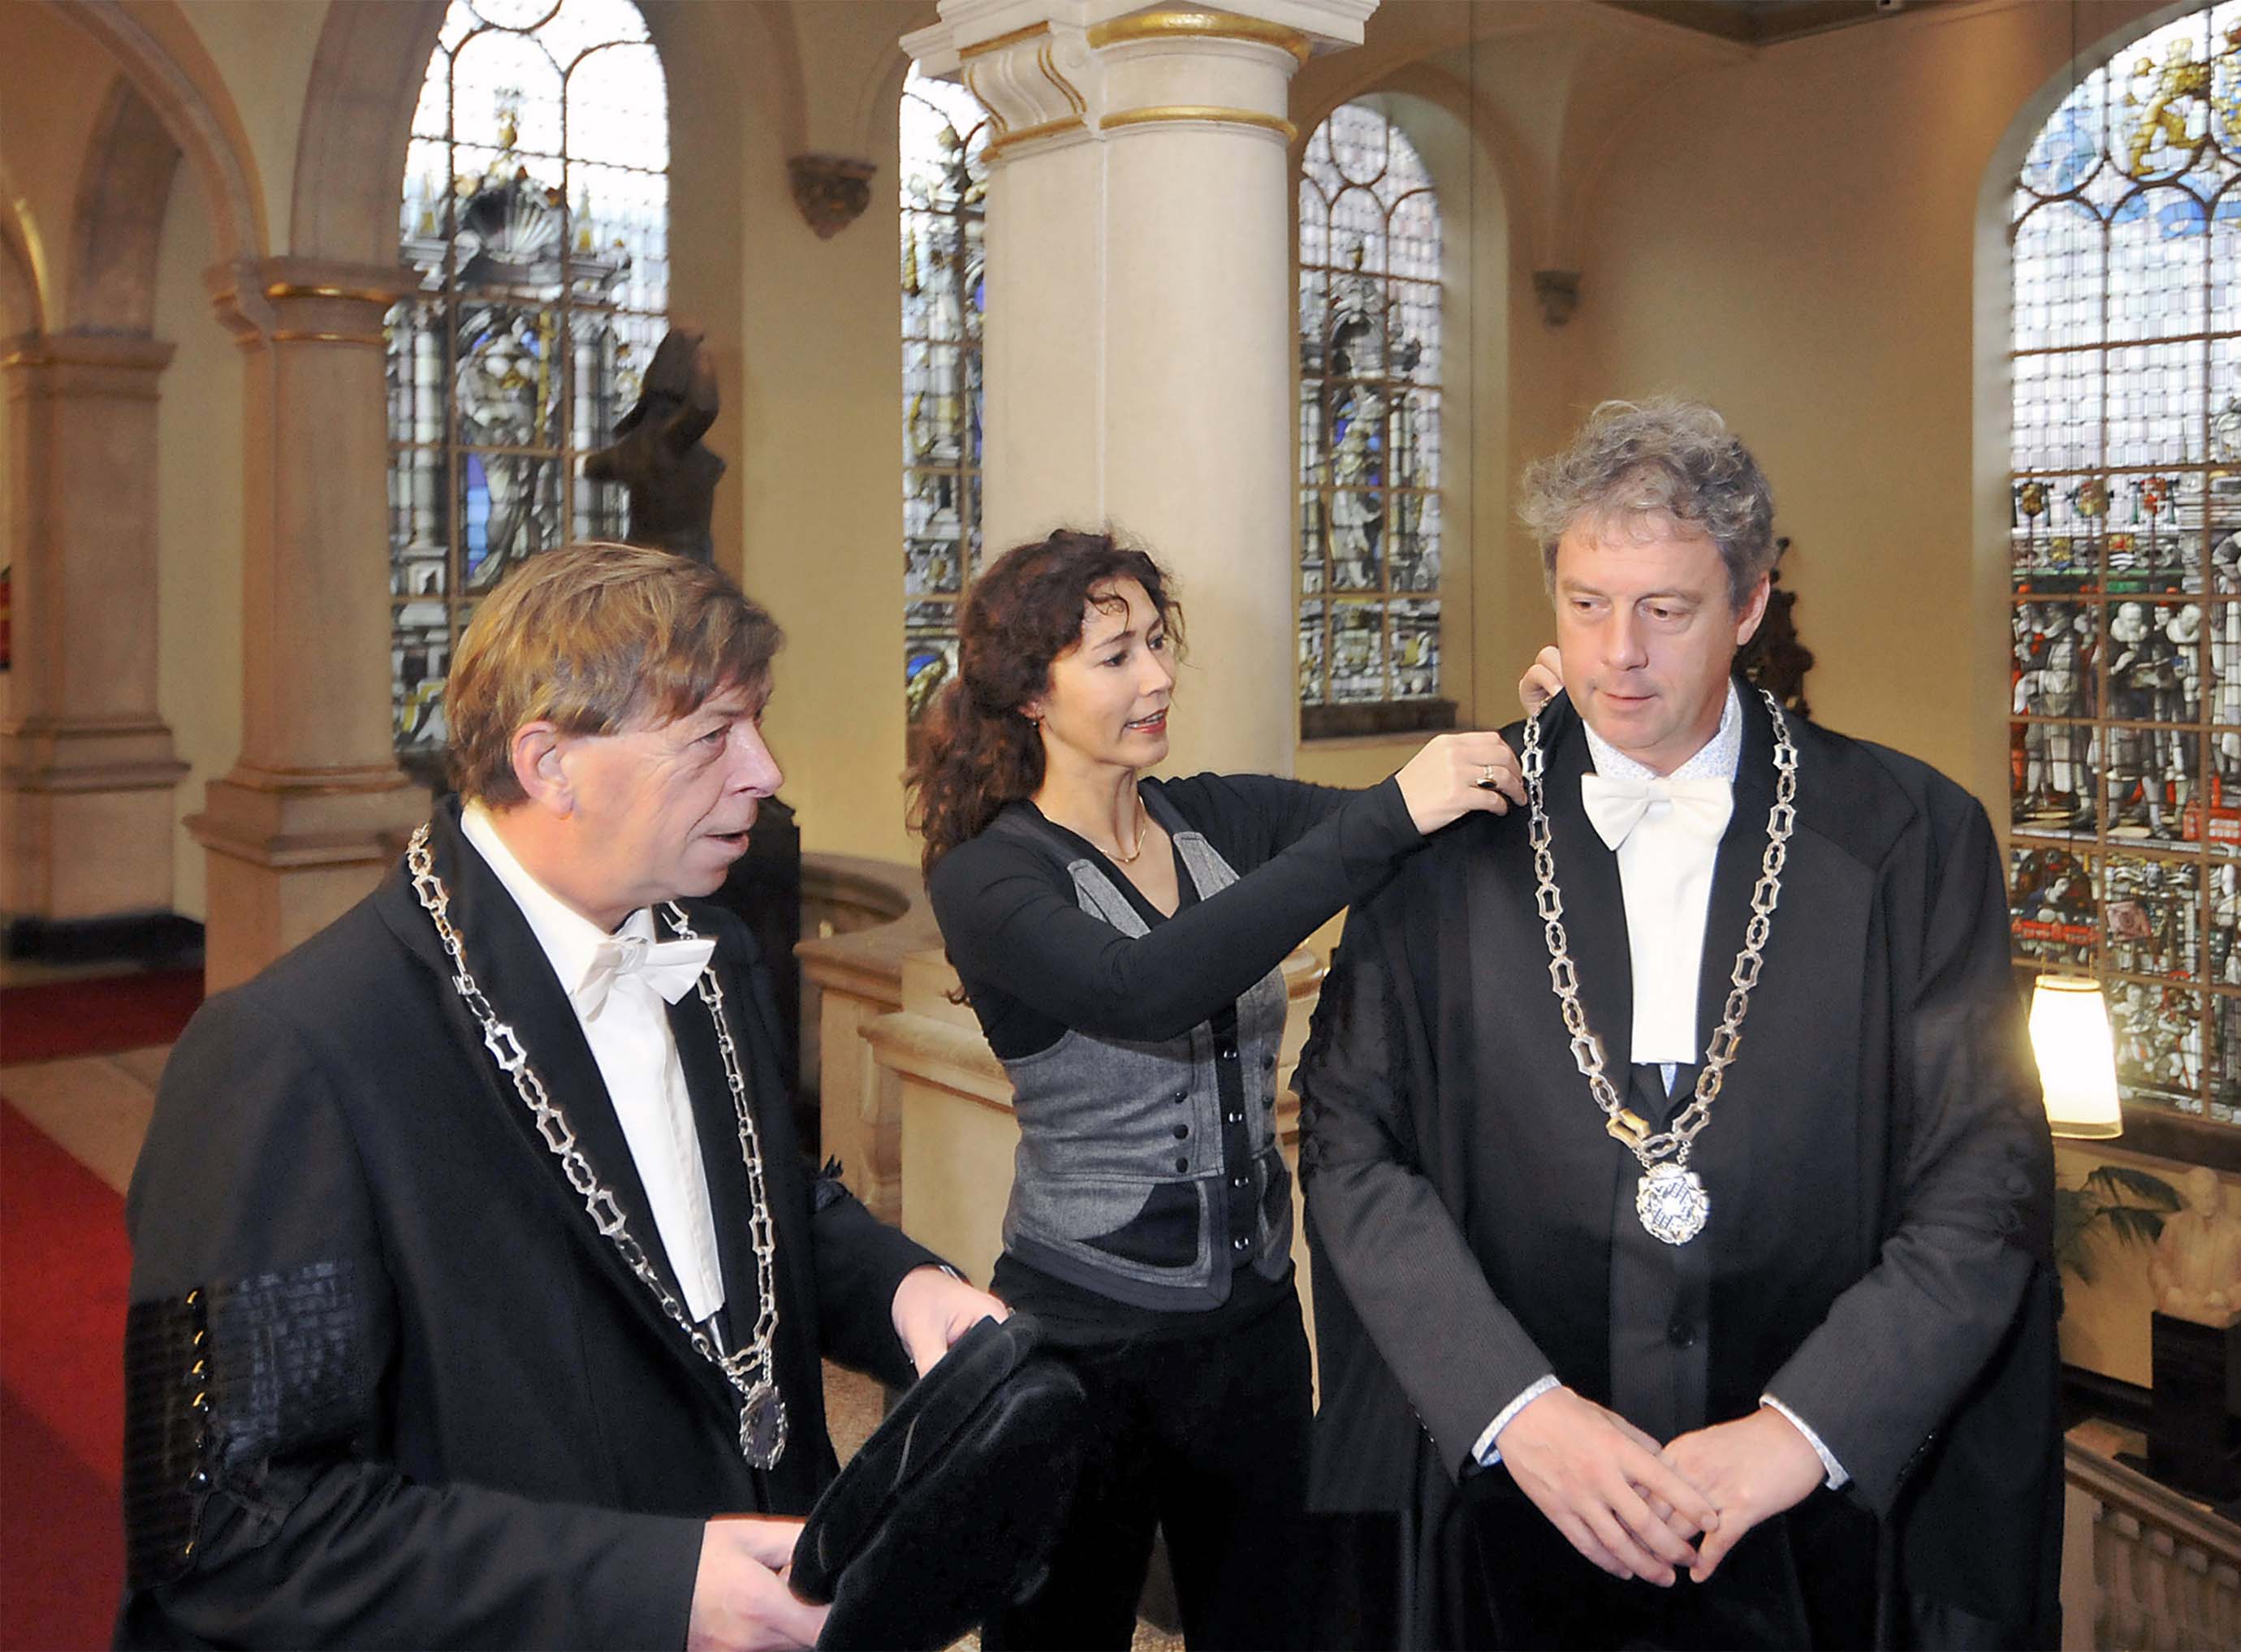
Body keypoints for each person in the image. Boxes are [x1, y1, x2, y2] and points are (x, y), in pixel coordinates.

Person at [119, 541, 1007, 1650]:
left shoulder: (710, 953)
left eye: (756, 723)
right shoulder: (292, 1055)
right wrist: (652, 1587)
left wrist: (905, 1291)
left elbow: (746, 1205)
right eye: (712, 736)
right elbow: (235, 1527)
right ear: (550, 762)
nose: (765, 770)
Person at [1298, 399, 2062, 1650]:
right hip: (1511, 1506)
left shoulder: (1914, 836)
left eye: (1667, 608)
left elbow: (1986, 1172)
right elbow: (1346, 1139)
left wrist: (1803, 1429)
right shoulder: (1444, 831)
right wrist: (1515, 1406)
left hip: (1816, 1527)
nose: (1618, 655)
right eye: (1587, 601)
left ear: (1749, 606)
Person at [909, 528, 1527, 1651]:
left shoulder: (1215, 816)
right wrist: (1390, 812)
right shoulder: (990, 873)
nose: (1156, 677)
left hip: (1246, 1327)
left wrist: (1545, 729)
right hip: (1079, 1335)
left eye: (1156, 642)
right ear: (1028, 693)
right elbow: (1142, 983)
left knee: (1273, 1621)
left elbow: (1416, 826)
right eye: (1113, 654)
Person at [2148, 1167, 2241, 1327]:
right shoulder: (2175, 1226)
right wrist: (2168, 1289)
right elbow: (2158, 1264)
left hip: (2217, 1320)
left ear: (2218, 1194)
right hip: (2178, 1314)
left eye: (2210, 1195)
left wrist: (2228, 1297)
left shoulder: (2239, 1233)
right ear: (2190, 1197)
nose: (2206, 1202)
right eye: (2199, 1197)